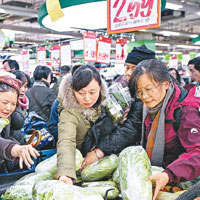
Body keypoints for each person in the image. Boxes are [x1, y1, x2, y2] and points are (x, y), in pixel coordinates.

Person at [128, 59, 200, 200]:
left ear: (165, 84)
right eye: (139, 92)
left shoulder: (185, 110)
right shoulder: (150, 108)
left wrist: (168, 174)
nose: (144, 97)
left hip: (184, 185)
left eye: (148, 90)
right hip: (161, 181)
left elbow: (198, 152)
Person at [57, 65, 107, 184]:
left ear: (100, 88)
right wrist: (66, 173)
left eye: (92, 92)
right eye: (81, 93)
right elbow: (66, 141)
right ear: (73, 90)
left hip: (105, 161)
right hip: (82, 166)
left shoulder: (108, 104)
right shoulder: (69, 112)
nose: (87, 98)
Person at [0, 75, 39, 173]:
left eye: (13, 104)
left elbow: (8, 135)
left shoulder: (6, 116)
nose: (9, 108)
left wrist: (19, 146)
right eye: (4, 102)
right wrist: (13, 148)